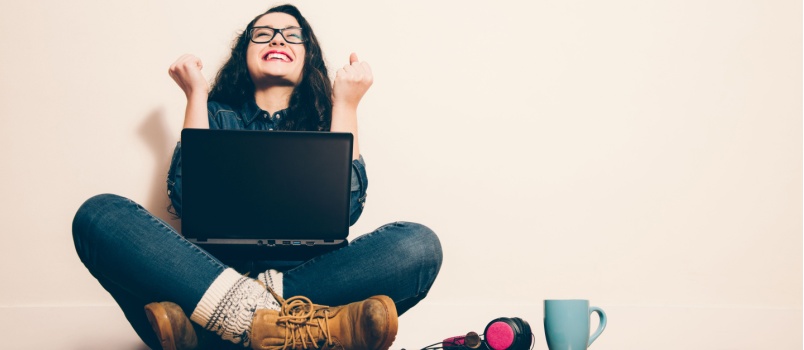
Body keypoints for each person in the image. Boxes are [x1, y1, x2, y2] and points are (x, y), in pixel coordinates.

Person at [72, 4, 442, 350]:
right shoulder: (215, 115)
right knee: (99, 216)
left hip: (309, 279)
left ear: (307, 56)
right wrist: (195, 95)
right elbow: (188, 201)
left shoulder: (324, 124)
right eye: (263, 33)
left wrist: (345, 105)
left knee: (419, 247)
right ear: (243, 53)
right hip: (208, 274)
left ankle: (220, 332)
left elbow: (345, 213)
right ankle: (298, 327)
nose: (277, 38)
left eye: (291, 34)